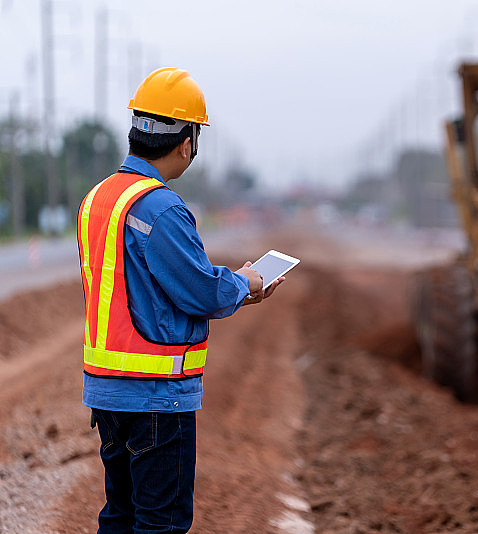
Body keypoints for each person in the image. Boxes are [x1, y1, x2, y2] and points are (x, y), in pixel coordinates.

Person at [77, 67, 282, 533]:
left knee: (119, 514)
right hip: (156, 399)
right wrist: (246, 281)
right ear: (188, 141)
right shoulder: (161, 208)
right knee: (161, 523)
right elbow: (201, 291)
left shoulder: (98, 198)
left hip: (107, 394)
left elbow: (138, 288)